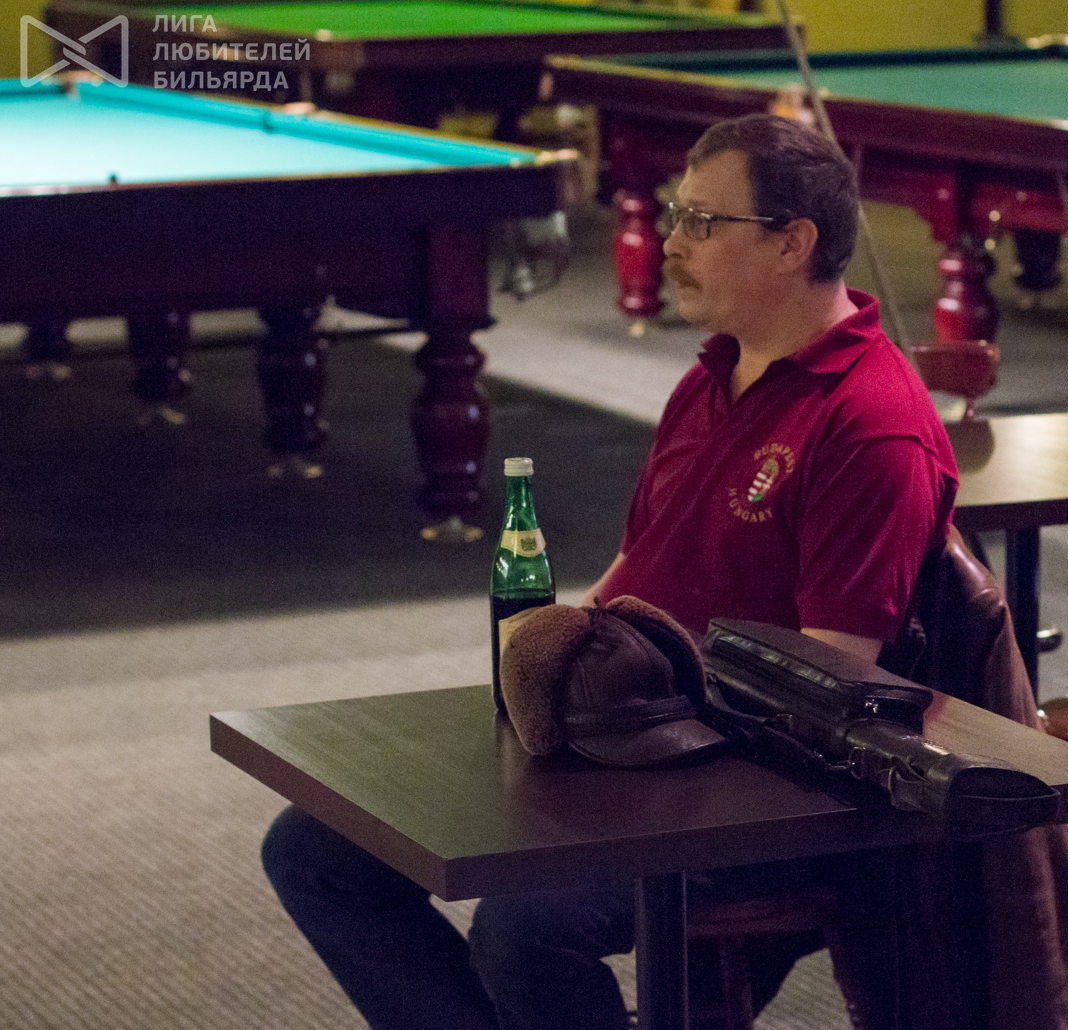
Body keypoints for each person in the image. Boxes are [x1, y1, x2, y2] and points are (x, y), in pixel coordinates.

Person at [260, 113, 959, 1030]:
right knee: (312, 849)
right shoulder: (713, 376)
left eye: (703, 222)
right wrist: (560, 670)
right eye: (676, 215)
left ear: (793, 243)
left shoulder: (871, 423)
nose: (672, 243)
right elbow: (638, 568)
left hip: (769, 781)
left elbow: (829, 676)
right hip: (639, 729)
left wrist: (636, 712)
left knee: (525, 929)